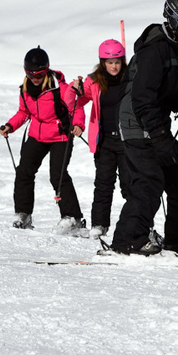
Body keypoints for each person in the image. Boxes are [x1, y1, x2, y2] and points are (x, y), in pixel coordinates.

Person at [109, 0, 178, 256]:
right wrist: (158, 136)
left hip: (155, 124)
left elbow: (163, 91)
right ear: (174, 20)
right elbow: (143, 99)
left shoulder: (177, 49)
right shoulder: (155, 50)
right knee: (149, 183)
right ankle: (128, 241)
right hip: (137, 123)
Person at [0, 46, 85, 233]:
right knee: (24, 172)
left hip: (61, 135)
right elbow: (24, 112)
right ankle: (23, 214)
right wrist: (10, 126)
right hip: (37, 134)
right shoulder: (25, 89)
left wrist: (78, 125)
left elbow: (76, 107)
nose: (35, 79)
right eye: (31, 75)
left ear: (46, 71)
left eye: (39, 75)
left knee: (58, 175)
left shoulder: (59, 88)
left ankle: (73, 218)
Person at [64, 39, 130, 239]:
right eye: (109, 62)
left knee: (131, 186)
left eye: (117, 61)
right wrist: (72, 89)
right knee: (103, 185)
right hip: (104, 143)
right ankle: (99, 225)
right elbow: (73, 102)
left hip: (128, 142)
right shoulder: (94, 81)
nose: (114, 66)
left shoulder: (131, 78)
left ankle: (135, 225)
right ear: (102, 62)